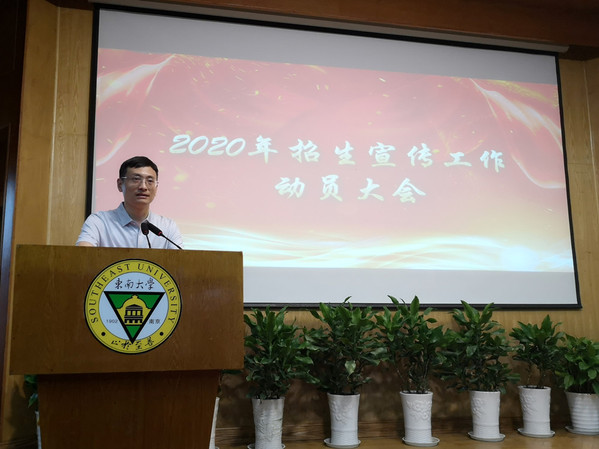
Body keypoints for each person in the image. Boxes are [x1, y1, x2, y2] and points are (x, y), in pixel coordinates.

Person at [76, 156, 183, 249]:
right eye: (136, 179)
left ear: (156, 187)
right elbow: (83, 255)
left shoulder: (167, 227)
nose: (143, 187)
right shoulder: (99, 222)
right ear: (120, 184)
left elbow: (180, 262)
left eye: (150, 181)